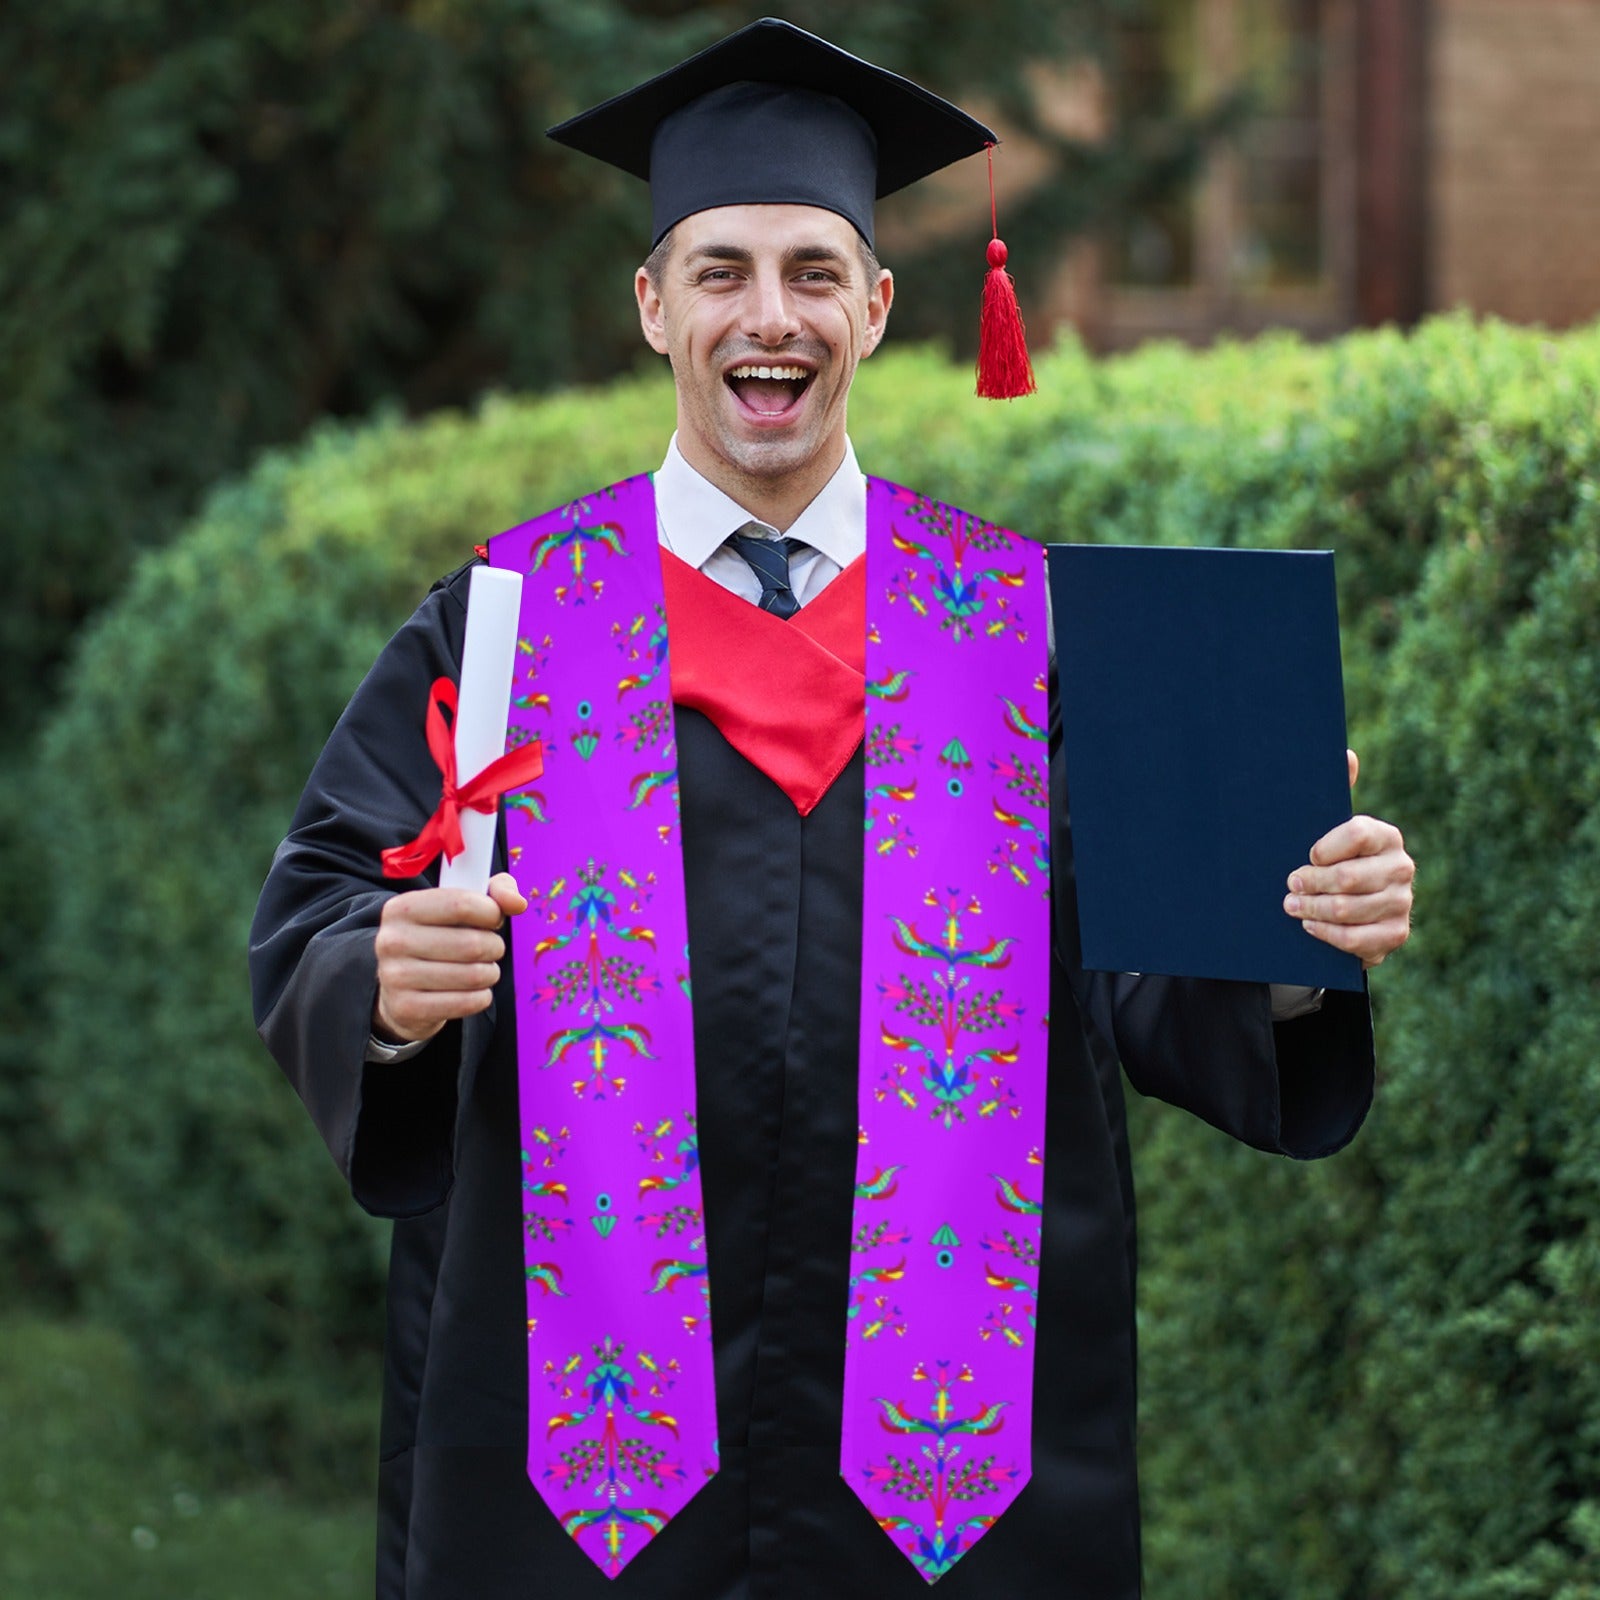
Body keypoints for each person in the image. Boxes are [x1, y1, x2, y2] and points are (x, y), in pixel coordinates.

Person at [249, 19, 1414, 1600]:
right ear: (654, 305)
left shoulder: (1028, 627)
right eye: (721, 270)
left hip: (957, 1475)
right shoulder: (515, 622)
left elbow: (1154, 978)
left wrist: (1292, 935)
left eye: (812, 270)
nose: (768, 316)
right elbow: (324, 901)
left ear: (876, 305)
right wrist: (380, 984)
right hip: (578, 1474)